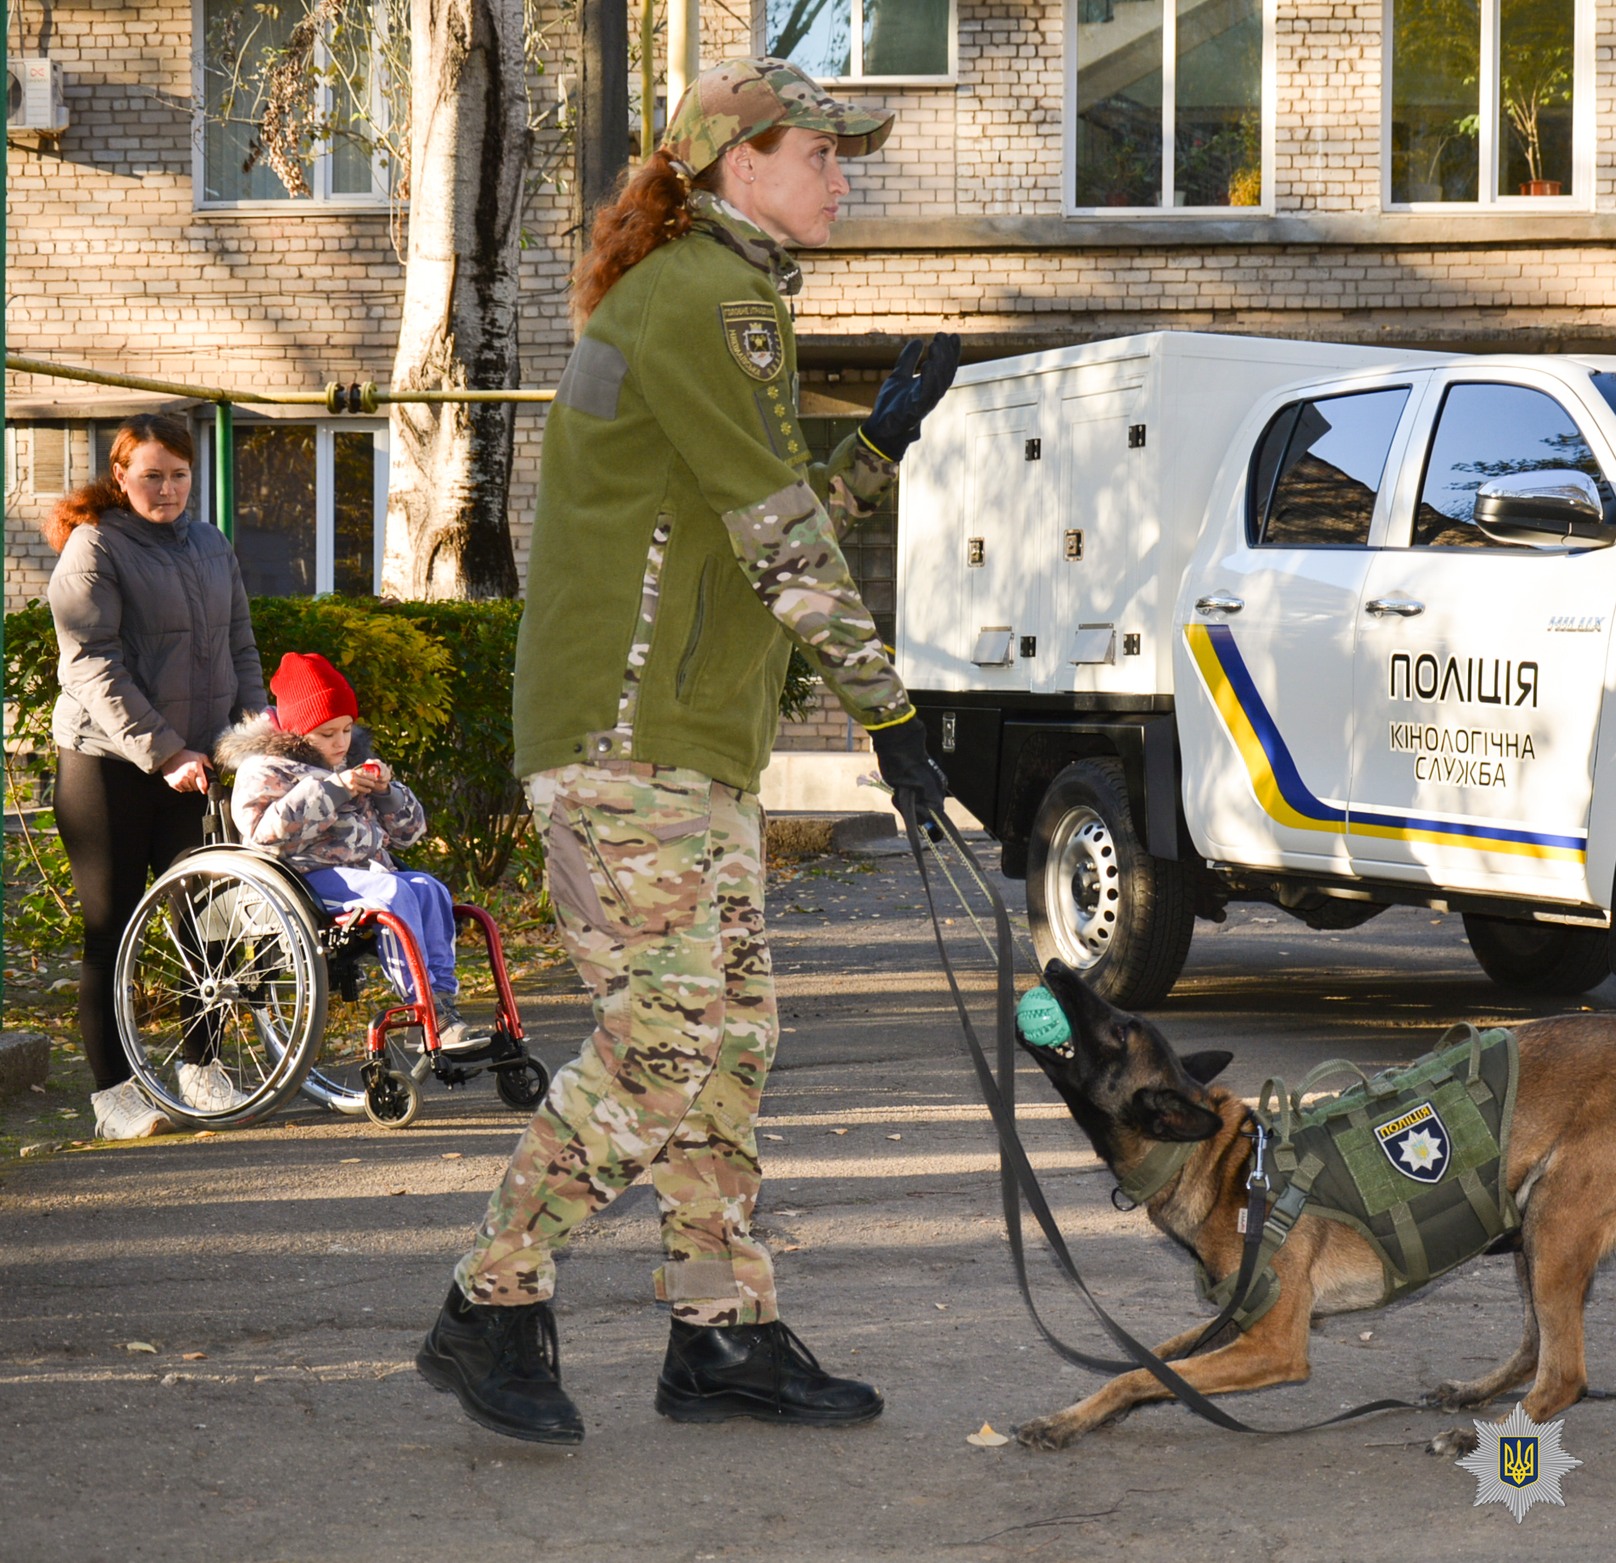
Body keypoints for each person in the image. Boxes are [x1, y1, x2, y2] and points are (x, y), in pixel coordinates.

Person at [416, 56, 958, 1446]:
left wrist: (883, 440)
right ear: (737, 166)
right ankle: (493, 1292)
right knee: (663, 1045)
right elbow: (779, 536)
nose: (844, 174)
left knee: (732, 1042)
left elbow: (742, 515)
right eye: (821, 151)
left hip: (682, 745)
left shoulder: (705, 297)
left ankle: (722, 1328)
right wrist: (889, 715)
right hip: (628, 739)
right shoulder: (715, 299)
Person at [45, 414, 268, 1139]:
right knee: (110, 928)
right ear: (121, 477)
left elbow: (240, 644)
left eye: (178, 474)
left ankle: (199, 1068)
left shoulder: (210, 544)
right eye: (151, 475)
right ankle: (113, 1093)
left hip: (194, 765)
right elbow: (91, 662)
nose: (167, 488)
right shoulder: (95, 547)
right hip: (105, 765)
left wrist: (257, 736)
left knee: (209, 920)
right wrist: (164, 748)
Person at [215, 652, 477, 1050]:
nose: (340, 742)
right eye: (327, 734)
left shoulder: (352, 760)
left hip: (365, 872)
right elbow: (264, 834)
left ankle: (441, 1001)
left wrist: (388, 793)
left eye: (347, 729)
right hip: (301, 880)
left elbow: (410, 834)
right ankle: (420, 1007)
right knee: (392, 895)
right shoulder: (265, 770)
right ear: (296, 732)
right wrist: (334, 789)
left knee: (429, 888)